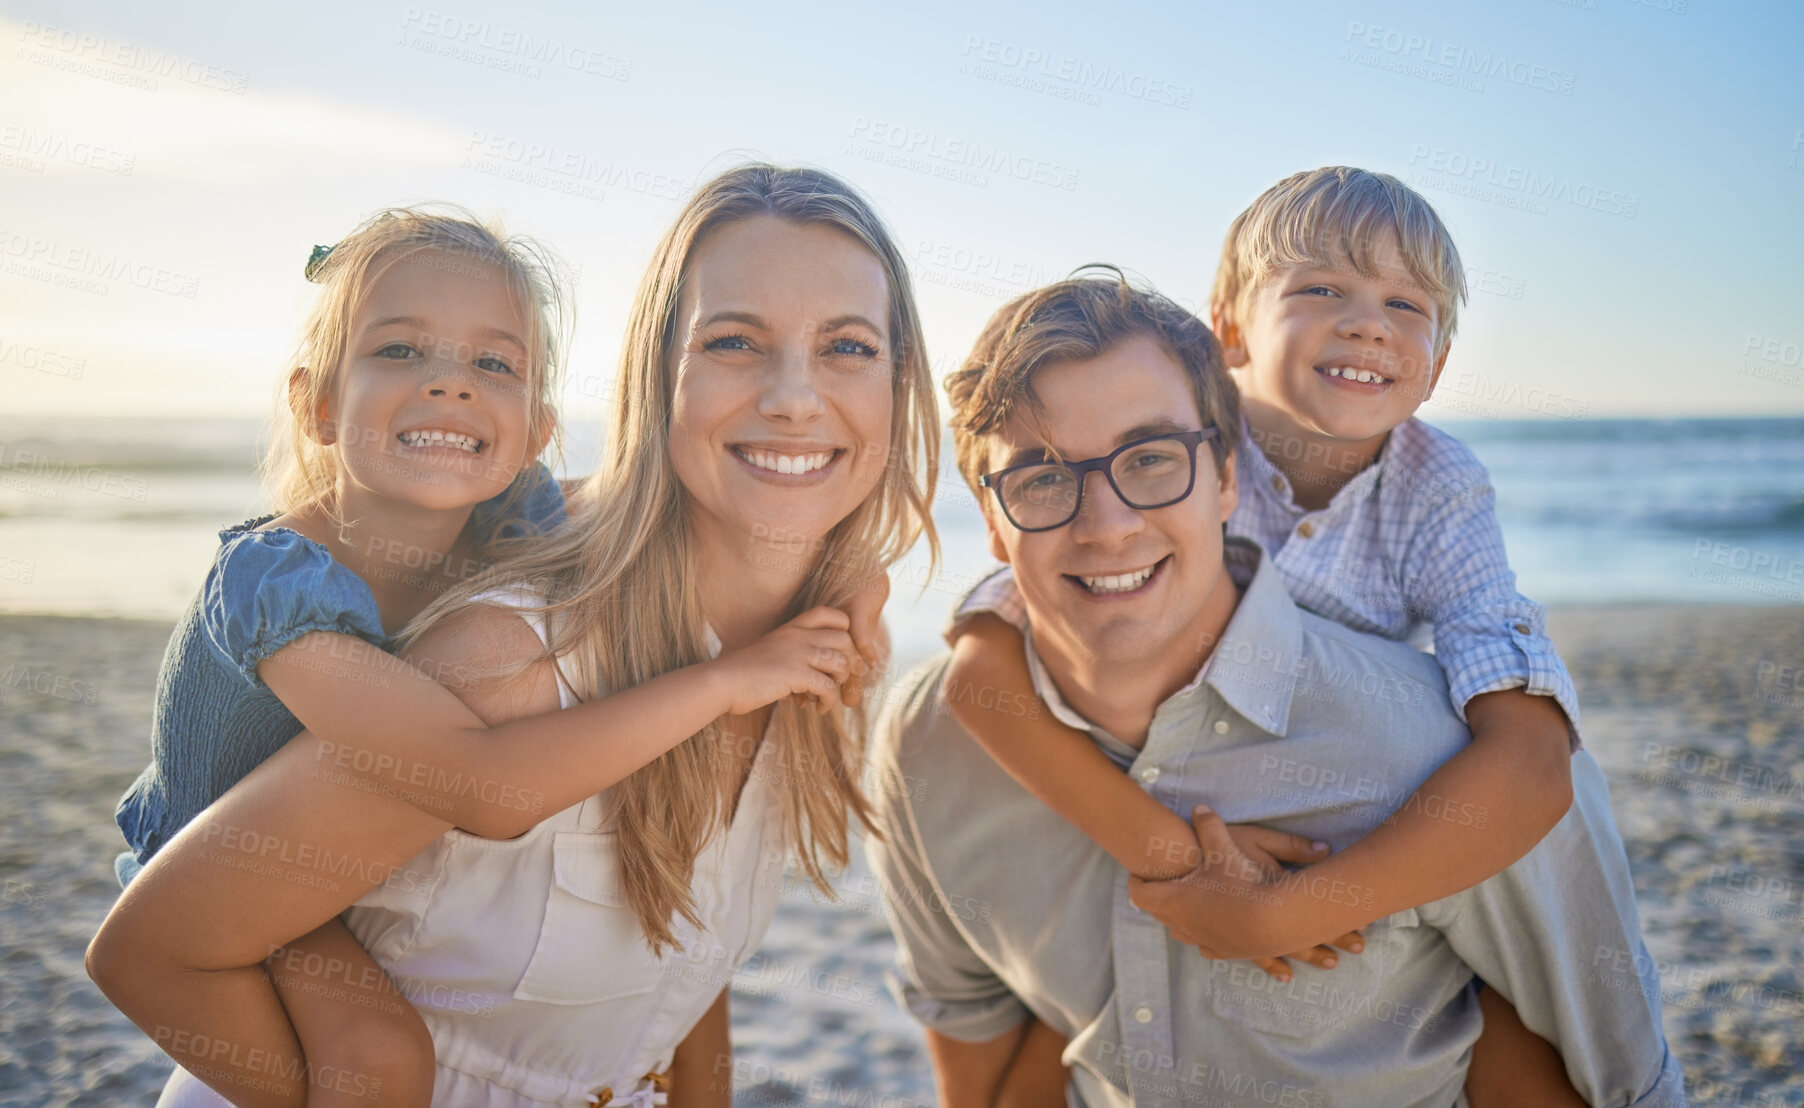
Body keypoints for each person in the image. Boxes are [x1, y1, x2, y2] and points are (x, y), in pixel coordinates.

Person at [86, 163, 940, 1107]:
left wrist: (858, 575)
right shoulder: (499, 658)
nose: (793, 397)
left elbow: (683, 973)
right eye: (735, 340)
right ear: (656, 382)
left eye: (849, 347)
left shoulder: (803, 650)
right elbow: (152, 945)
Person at [865, 272, 1683, 1105]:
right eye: (1042, 477)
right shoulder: (927, 743)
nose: (1106, 524)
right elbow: (972, 1034)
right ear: (993, 518)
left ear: (1226, 479)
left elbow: (1622, 1080)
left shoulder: (1442, 757)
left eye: (1150, 460)